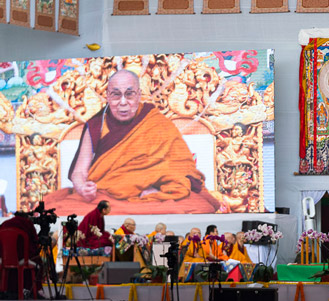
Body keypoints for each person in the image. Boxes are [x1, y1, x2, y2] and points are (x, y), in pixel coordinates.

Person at [44, 69, 220, 215]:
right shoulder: (96, 124)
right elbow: (79, 171)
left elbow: (182, 169)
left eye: (129, 95)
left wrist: (161, 191)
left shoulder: (155, 122)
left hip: (152, 196)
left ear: (138, 95)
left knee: (201, 207)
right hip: (107, 196)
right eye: (115, 95)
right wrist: (83, 188)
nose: (123, 102)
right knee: (60, 210)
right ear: (107, 96)